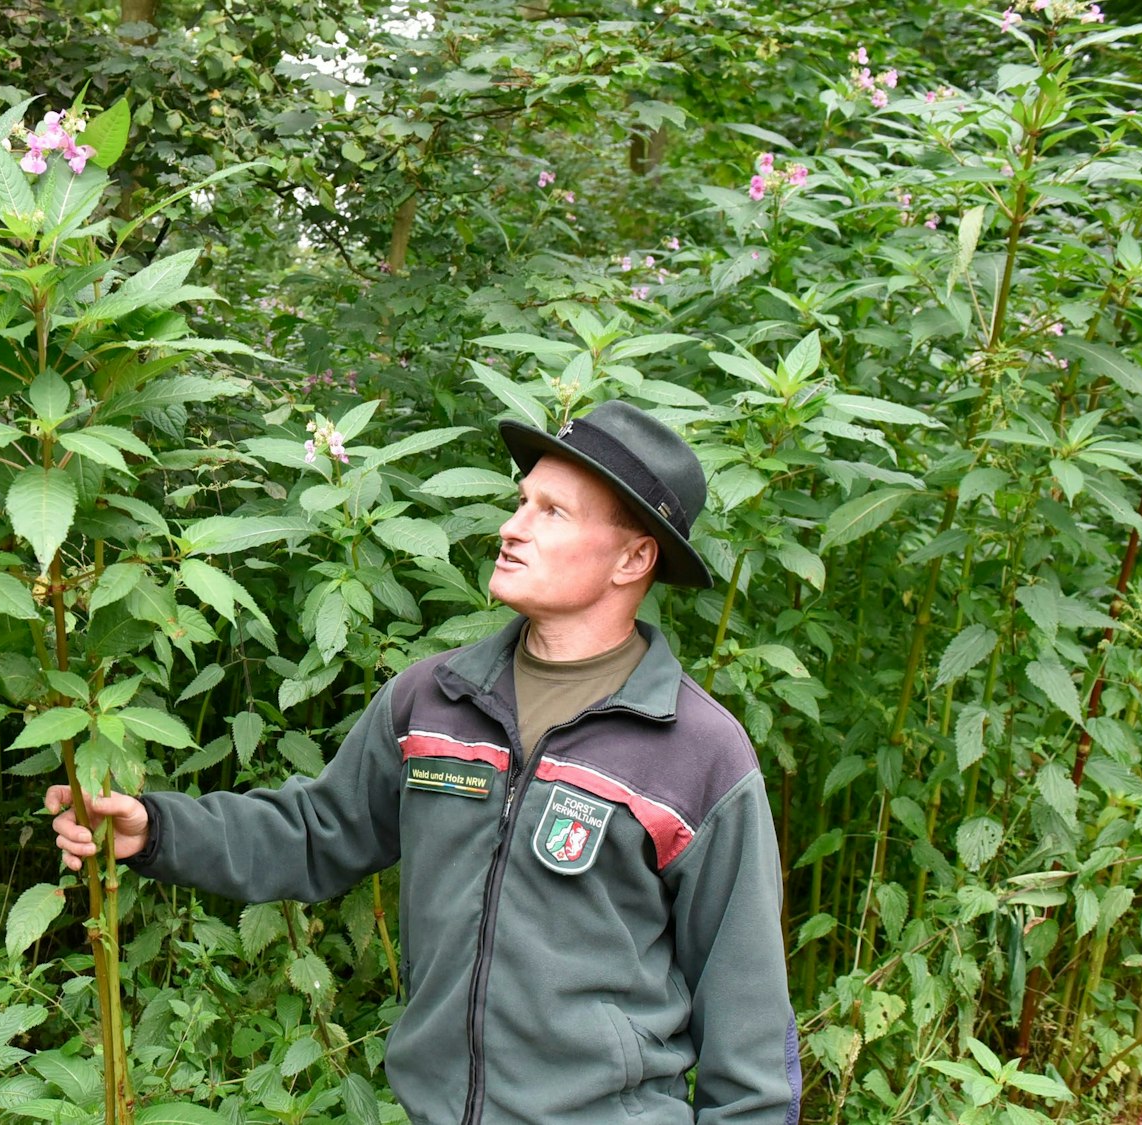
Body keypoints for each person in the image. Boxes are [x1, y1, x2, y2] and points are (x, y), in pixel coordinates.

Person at [48, 401, 800, 1125]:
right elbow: (316, 830)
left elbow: (751, 1037)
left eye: (553, 512)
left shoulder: (699, 753)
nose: (511, 527)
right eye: (522, 501)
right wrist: (154, 830)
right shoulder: (434, 701)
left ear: (635, 557)